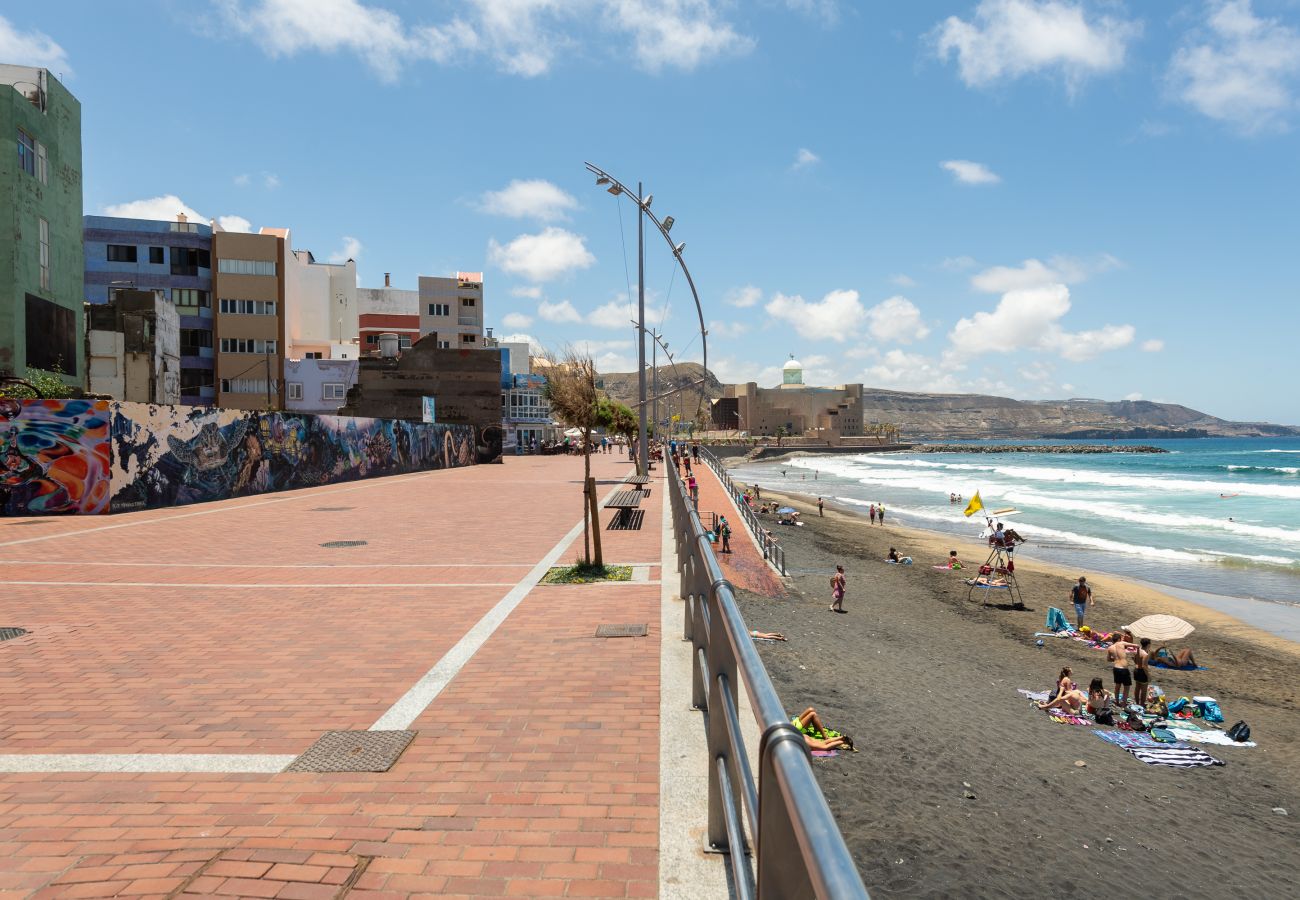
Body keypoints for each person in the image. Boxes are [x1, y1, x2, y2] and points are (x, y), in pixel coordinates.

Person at [1107, 634, 1136, 706]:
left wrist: (1115, 659)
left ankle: (1116, 701)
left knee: (1117, 686)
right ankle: (1123, 703)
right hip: (1123, 668)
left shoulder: (1110, 648)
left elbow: (1108, 659)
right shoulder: (1121, 643)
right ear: (1119, 639)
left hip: (1116, 668)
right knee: (1126, 687)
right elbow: (1135, 645)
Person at [1133, 637, 1152, 707]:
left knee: (1137, 687)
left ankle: (1137, 703)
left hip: (1136, 670)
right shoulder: (1145, 654)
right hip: (1142, 672)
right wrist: (1148, 675)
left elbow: (1135, 661)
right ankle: (1142, 704)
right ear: (1148, 644)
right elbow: (1144, 666)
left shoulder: (1137, 651)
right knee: (1144, 690)